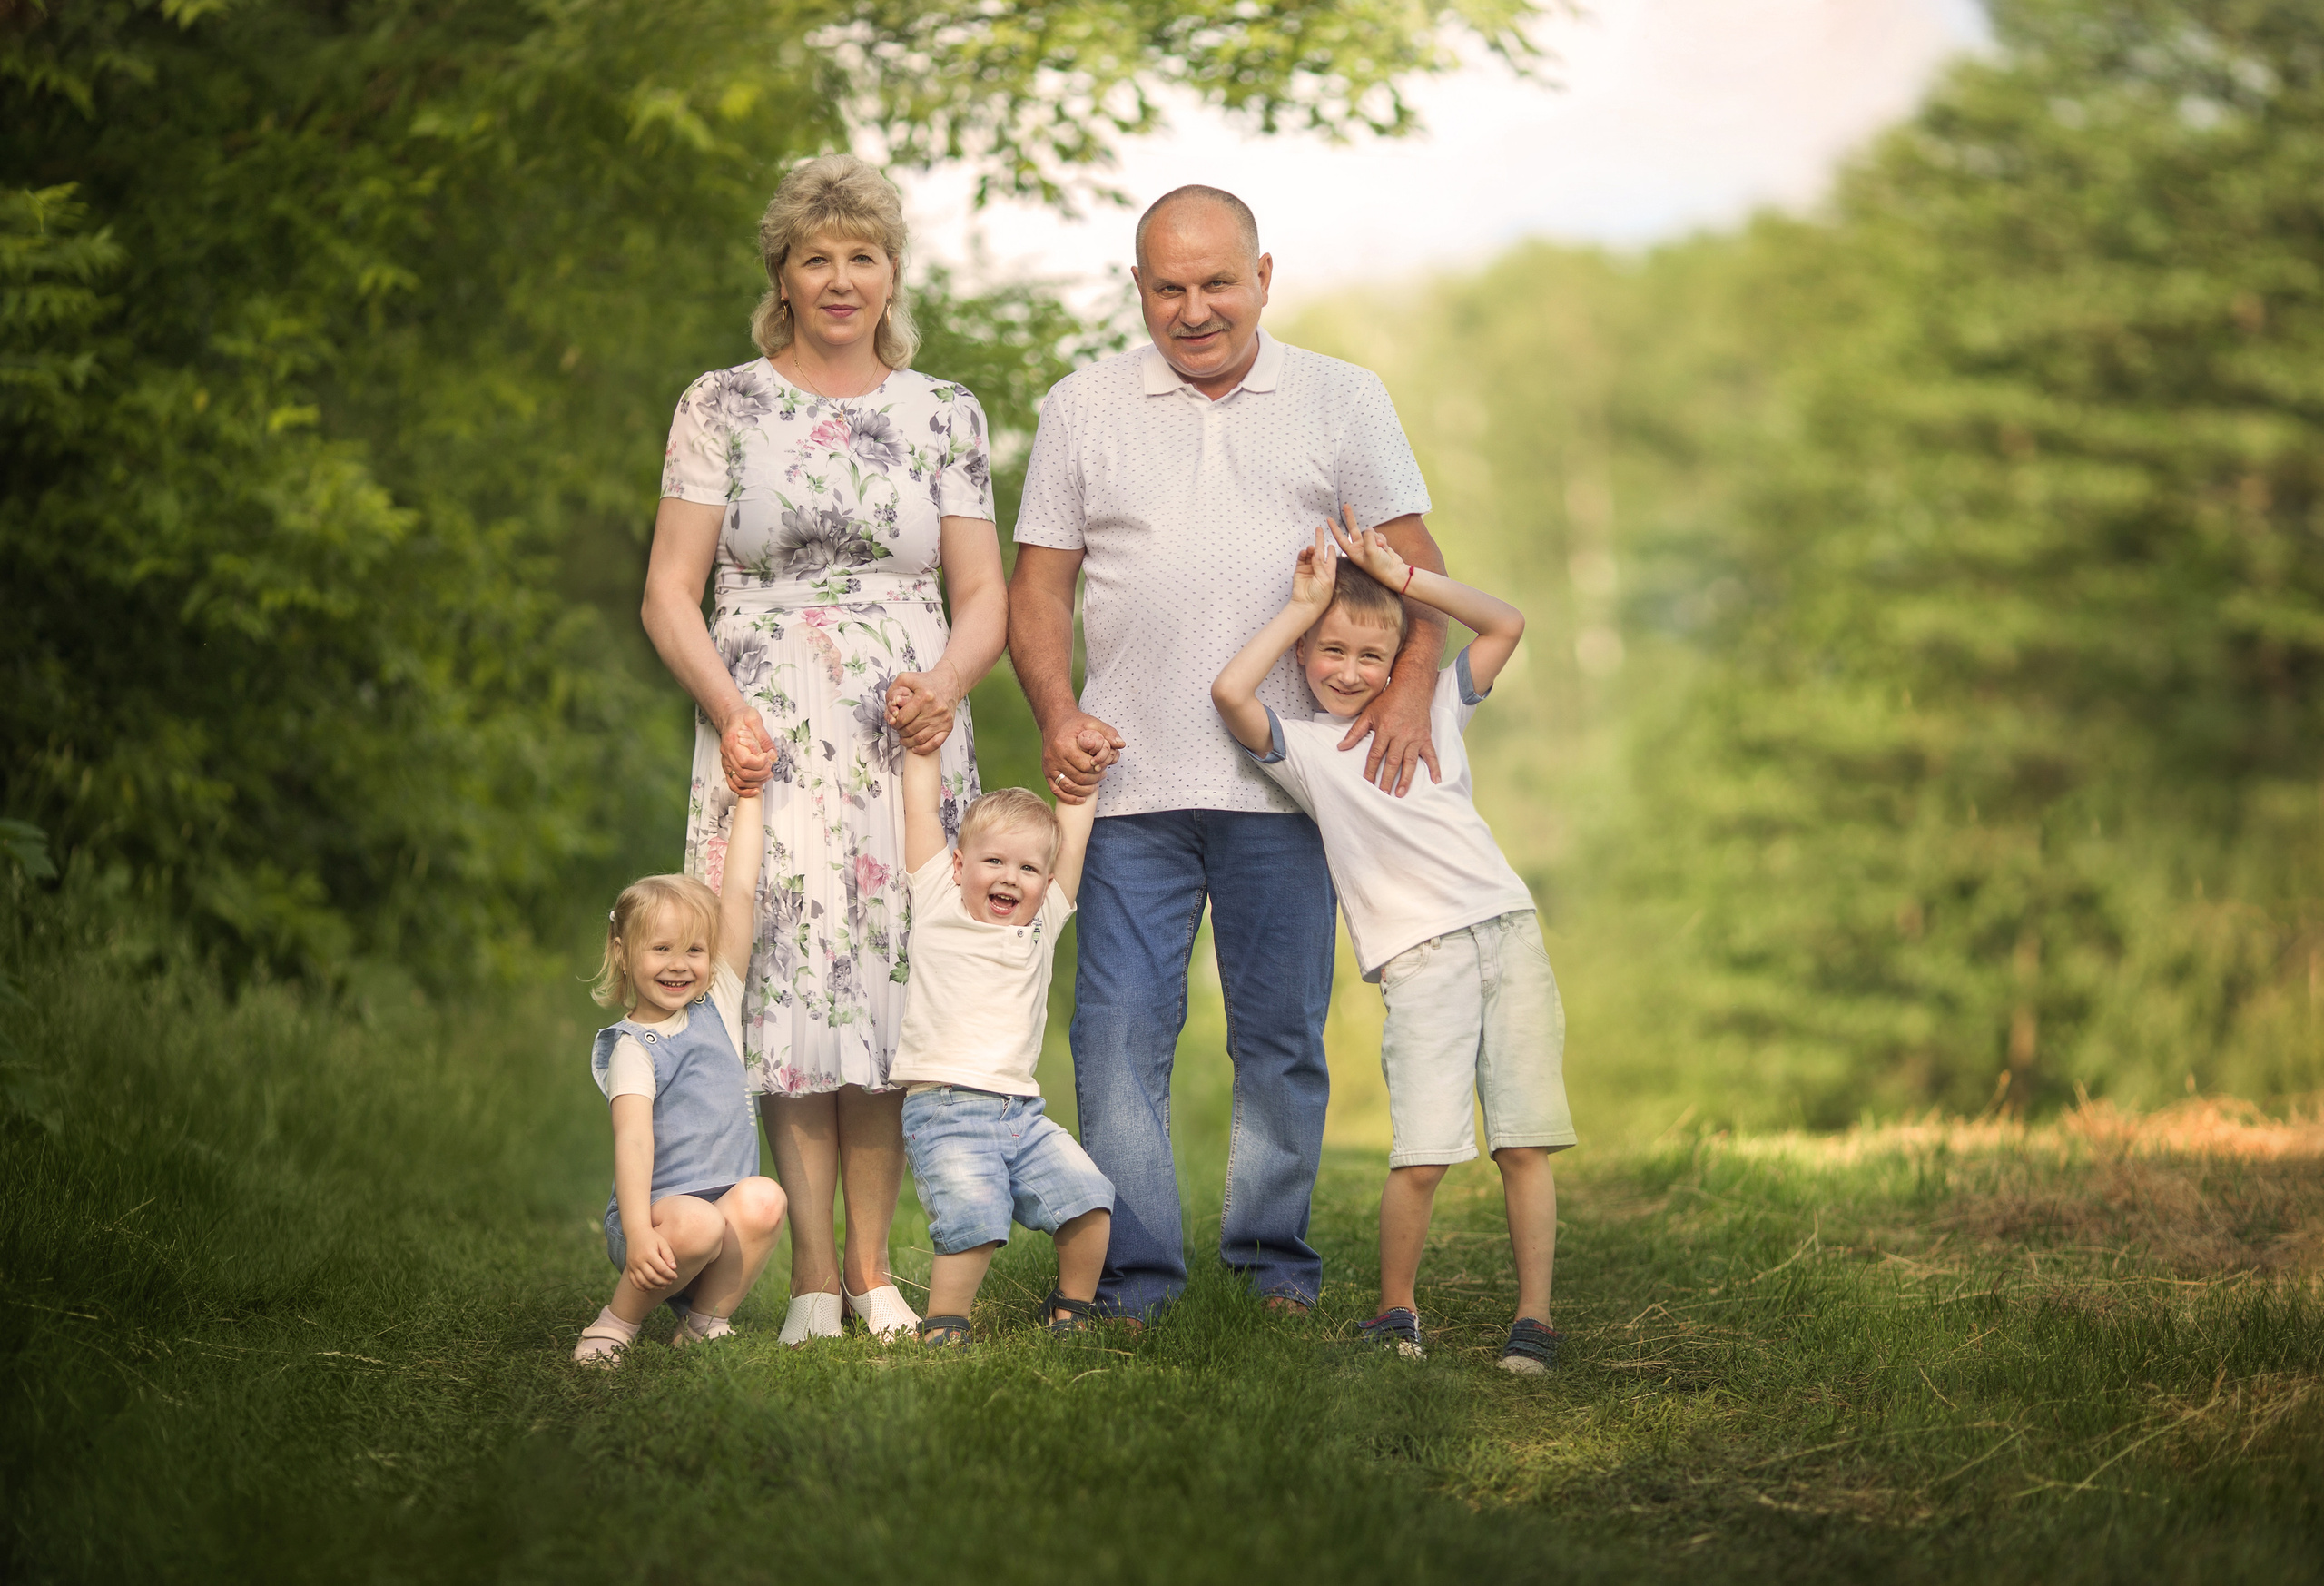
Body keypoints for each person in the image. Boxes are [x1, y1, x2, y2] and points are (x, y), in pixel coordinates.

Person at [1009, 184, 1444, 1318]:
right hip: (1127, 787)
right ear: (1139, 288)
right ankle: (1135, 1279)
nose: (1194, 308)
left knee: (1281, 1045)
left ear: (1262, 276)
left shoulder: (1341, 399)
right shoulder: (1081, 407)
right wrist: (1058, 714)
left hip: (1289, 787)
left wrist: (1403, 698)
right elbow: (1038, 592)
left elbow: (1420, 576)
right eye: (1169, 286)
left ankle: (1272, 1273)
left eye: (1216, 283)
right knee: (1113, 1043)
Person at [644, 153, 1007, 1345]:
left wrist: (944, 688)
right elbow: (668, 593)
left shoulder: (943, 412)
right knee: (786, 993)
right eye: (816, 256)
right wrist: (727, 706)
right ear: (783, 278)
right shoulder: (721, 403)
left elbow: (984, 597)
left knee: (894, 982)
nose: (841, 276)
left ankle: (876, 1269)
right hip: (766, 736)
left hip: (902, 738)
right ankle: (807, 1275)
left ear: (891, 272)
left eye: (862, 254)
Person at [1211, 509, 1574, 1374]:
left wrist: (1406, 581)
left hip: (1508, 934)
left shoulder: (1436, 705)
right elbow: (1231, 695)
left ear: (1396, 661)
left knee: (1523, 1140)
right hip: (1421, 962)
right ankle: (1396, 1313)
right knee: (1423, 1150)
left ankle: (1536, 1319)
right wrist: (1305, 608)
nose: (1348, 671)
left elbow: (1507, 622)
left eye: (1370, 656)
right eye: (1331, 653)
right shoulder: (1305, 748)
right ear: (1306, 657)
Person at [887, 744, 1114, 1348]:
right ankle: (946, 1324)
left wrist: (1083, 777)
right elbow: (919, 810)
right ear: (960, 865)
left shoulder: (1042, 925)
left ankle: (1072, 1310)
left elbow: (1075, 838)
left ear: (1045, 882)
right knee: (975, 1218)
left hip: (1023, 1112)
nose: (1010, 877)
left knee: (1090, 1198)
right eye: (994, 861)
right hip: (946, 1106)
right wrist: (922, 746)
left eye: (1028, 869)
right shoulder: (938, 899)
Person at [573, 788, 790, 1365]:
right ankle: (617, 1321)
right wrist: (640, 1232)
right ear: (622, 952)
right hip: (658, 1223)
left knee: (767, 1198)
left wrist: (749, 797)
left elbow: (738, 891)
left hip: (725, 1222)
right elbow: (634, 1140)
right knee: (695, 1222)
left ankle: (702, 1323)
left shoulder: (717, 1002)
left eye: (695, 949)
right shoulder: (632, 1048)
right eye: (661, 948)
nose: (679, 964)